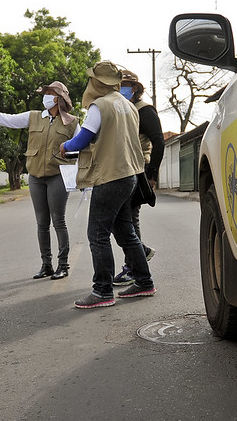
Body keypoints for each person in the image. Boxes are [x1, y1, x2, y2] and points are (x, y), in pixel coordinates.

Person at [60, 61, 156, 309]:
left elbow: (83, 138)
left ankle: (102, 291)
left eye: (91, 79)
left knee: (97, 235)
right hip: (130, 175)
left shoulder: (99, 105)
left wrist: (65, 147)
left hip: (110, 176)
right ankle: (144, 282)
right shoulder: (127, 105)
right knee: (125, 231)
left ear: (98, 83)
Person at [0, 81, 79, 280]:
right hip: (35, 176)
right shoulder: (33, 117)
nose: (46, 96)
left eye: (50, 93)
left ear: (59, 98)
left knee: (58, 221)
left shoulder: (73, 123)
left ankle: (63, 265)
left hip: (58, 176)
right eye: (45, 93)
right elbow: (6, 119)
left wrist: (75, 167)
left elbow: (83, 148)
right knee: (41, 223)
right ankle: (46, 265)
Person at [112, 69, 165, 286]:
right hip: (126, 167)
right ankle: (138, 257)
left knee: (128, 218)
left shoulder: (144, 110)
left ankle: (134, 266)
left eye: (125, 85)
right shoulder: (125, 109)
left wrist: (152, 174)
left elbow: (159, 142)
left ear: (135, 88)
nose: (121, 89)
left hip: (140, 168)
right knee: (124, 218)